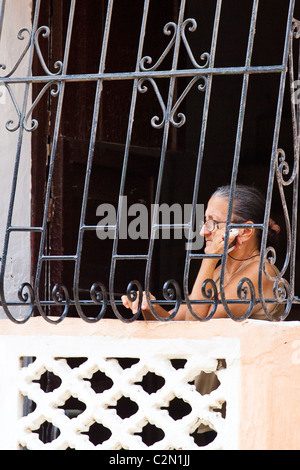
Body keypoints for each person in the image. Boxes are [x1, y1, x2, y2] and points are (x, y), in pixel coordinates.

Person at [122, 184, 284, 321]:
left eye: (212, 222)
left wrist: (210, 257)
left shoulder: (261, 272)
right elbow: (173, 323)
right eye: (205, 221)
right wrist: (149, 306)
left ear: (245, 231)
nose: (203, 231)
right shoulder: (219, 272)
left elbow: (198, 322)